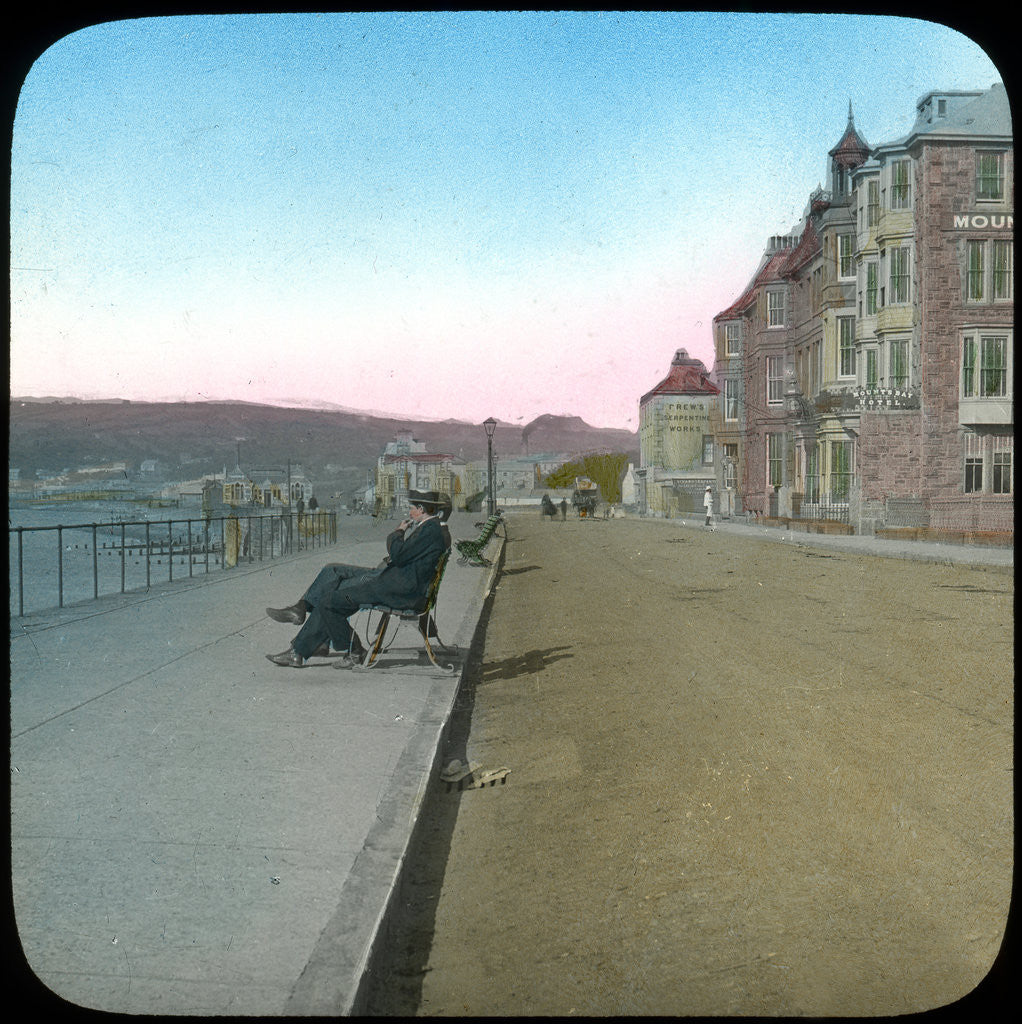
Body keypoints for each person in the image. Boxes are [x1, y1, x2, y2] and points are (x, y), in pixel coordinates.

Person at [265, 490, 452, 669]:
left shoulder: (429, 530)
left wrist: (398, 532)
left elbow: (399, 555)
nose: (409, 511)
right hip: (396, 586)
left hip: (395, 590)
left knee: (329, 600)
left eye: (412, 507)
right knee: (331, 593)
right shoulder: (431, 528)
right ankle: (300, 649)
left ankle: (352, 650)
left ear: (421, 509)